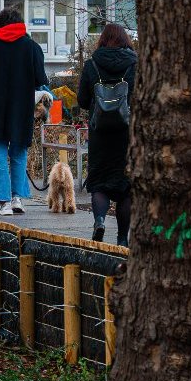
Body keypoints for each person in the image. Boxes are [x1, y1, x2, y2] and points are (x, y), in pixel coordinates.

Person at [0, 7, 50, 215]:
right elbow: (41, 79)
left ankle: (3, 202)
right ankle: (17, 199)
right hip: (21, 108)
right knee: (19, 151)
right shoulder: (32, 47)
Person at [78, 24, 136, 244]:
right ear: (125, 41)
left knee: (99, 182)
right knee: (126, 186)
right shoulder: (135, 65)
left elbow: (83, 100)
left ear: (102, 40)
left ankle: (100, 220)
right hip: (127, 133)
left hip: (100, 133)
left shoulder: (92, 64)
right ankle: (122, 238)